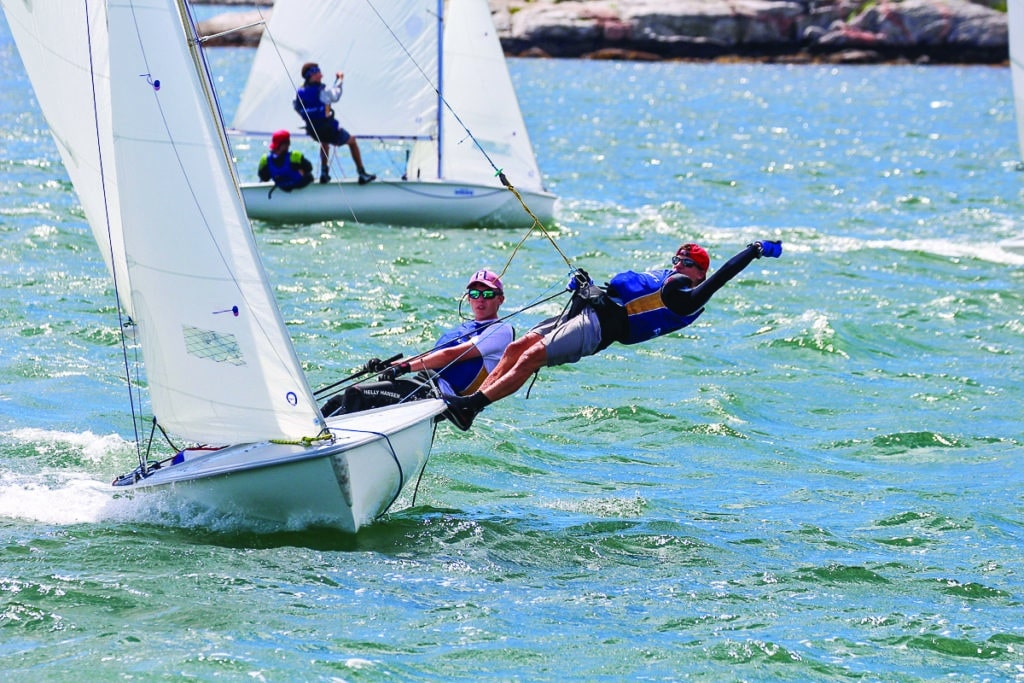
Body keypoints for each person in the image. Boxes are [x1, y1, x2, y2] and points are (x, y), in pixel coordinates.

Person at [442, 240, 784, 431]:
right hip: (591, 309)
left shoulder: (687, 297)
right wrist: (585, 288)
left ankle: (473, 406)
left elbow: (723, 275)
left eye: (687, 262)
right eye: (677, 258)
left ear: (699, 274)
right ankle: (470, 404)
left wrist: (753, 251)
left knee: (532, 358)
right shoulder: (669, 278)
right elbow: (622, 292)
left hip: (599, 328)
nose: (678, 264)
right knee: (519, 346)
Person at [321, 269, 514, 418]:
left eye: (487, 294)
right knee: (337, 401)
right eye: (474, 294)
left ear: (501, 299)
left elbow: (452, 355)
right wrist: (391, 366)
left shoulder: (501, 330)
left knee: (355, 394)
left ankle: (334, 452)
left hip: (436, 395)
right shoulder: (468, 327)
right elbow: (430, 357)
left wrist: (405, 367)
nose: (480, 299)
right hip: (422, 383)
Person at [293, 62, 376, 186]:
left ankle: (324, 173)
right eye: (318, 72)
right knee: (352, 141)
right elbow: (335, 94)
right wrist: (340, 79)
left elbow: (296, 107)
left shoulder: (301, 92)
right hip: (328, 129)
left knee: (324, 142)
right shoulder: (321, 91)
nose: (321, 74)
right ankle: (362, 173)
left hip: (313, 130)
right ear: (312, 75)